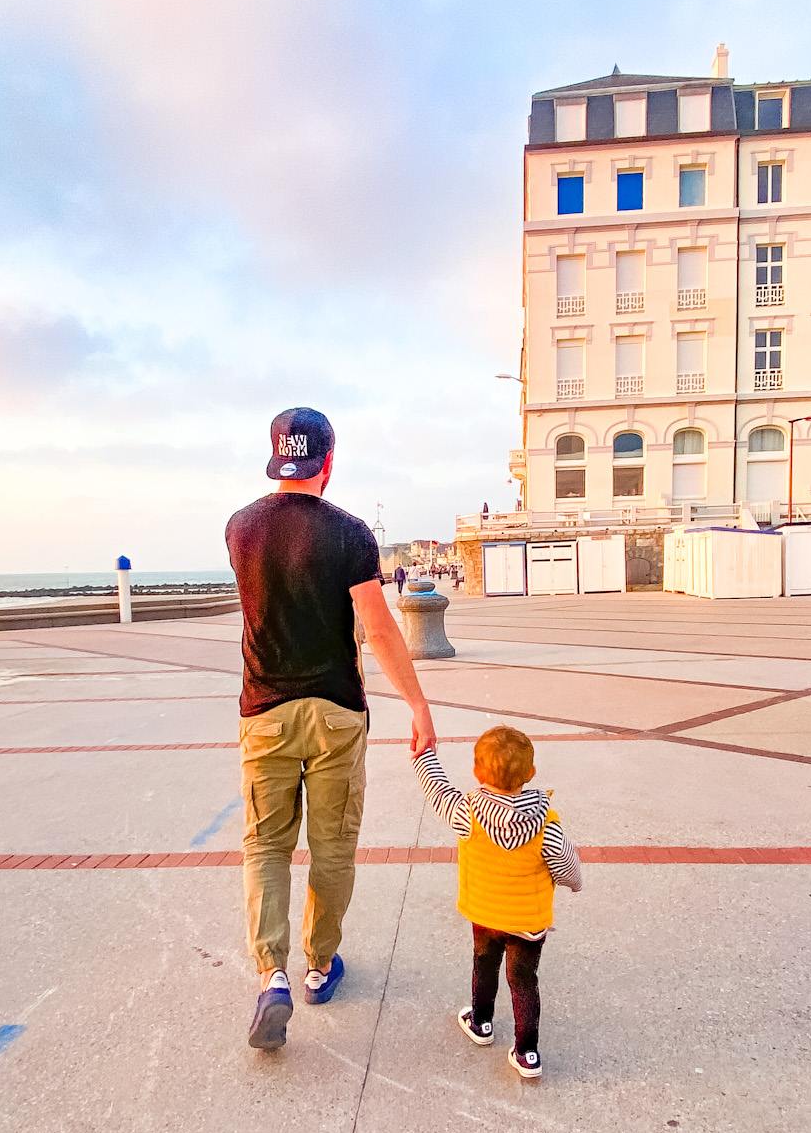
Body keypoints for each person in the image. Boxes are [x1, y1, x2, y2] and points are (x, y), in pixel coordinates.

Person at [226, 407, 438, 1052]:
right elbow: (377, 629)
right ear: (328, 459)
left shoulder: (240, 528)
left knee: (264, 846)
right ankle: (321, 965)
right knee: (332, 845)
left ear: (275, 457)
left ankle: (274, 977)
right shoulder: (349, 534)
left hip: (263, 711)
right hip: (336, 713)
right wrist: (418, 707)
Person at [413, 724, 582, 1079]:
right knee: (524, 982)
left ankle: (481, 1021)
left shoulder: (466, 814)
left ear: (477, 773)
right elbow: (565, 865)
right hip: (528, 923)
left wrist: (424, 754)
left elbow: (438, 789)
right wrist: (575, 883)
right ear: (531, 773)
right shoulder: (546, 824)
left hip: (484, 914)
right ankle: (527, 1053)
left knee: (484, 967)